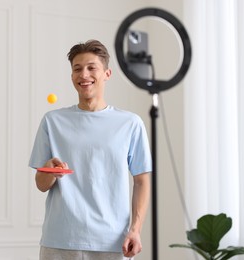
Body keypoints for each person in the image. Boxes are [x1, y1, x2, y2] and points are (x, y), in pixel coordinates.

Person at [29, 39, 152, 260]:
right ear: (71, 77)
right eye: (77, 69)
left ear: (107, 74)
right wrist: (49, 172)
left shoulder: (130, 123)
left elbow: (142, 180)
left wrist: (135, 229)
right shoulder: (52, 121)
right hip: (60, 241)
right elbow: (40, 184)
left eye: (91, 67)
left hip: (113, 242)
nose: (83, 75)